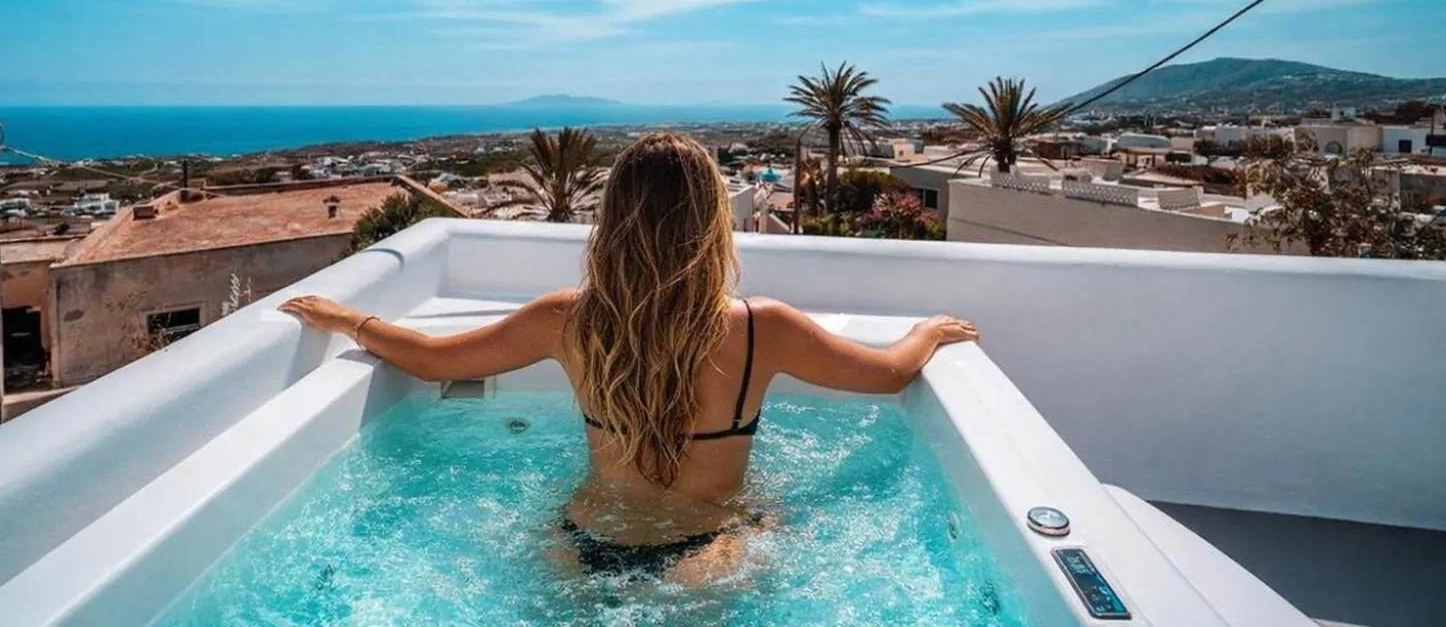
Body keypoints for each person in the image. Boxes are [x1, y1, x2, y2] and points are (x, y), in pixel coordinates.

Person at [281, 132, 978, 584]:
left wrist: (350, 319)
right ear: (712, 222)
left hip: (577, 544)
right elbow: (888, 373)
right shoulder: (763, 327)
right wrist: (927, 333)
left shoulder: (566, 319)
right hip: (707, 554)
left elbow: (433, 360)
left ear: (612, 220)